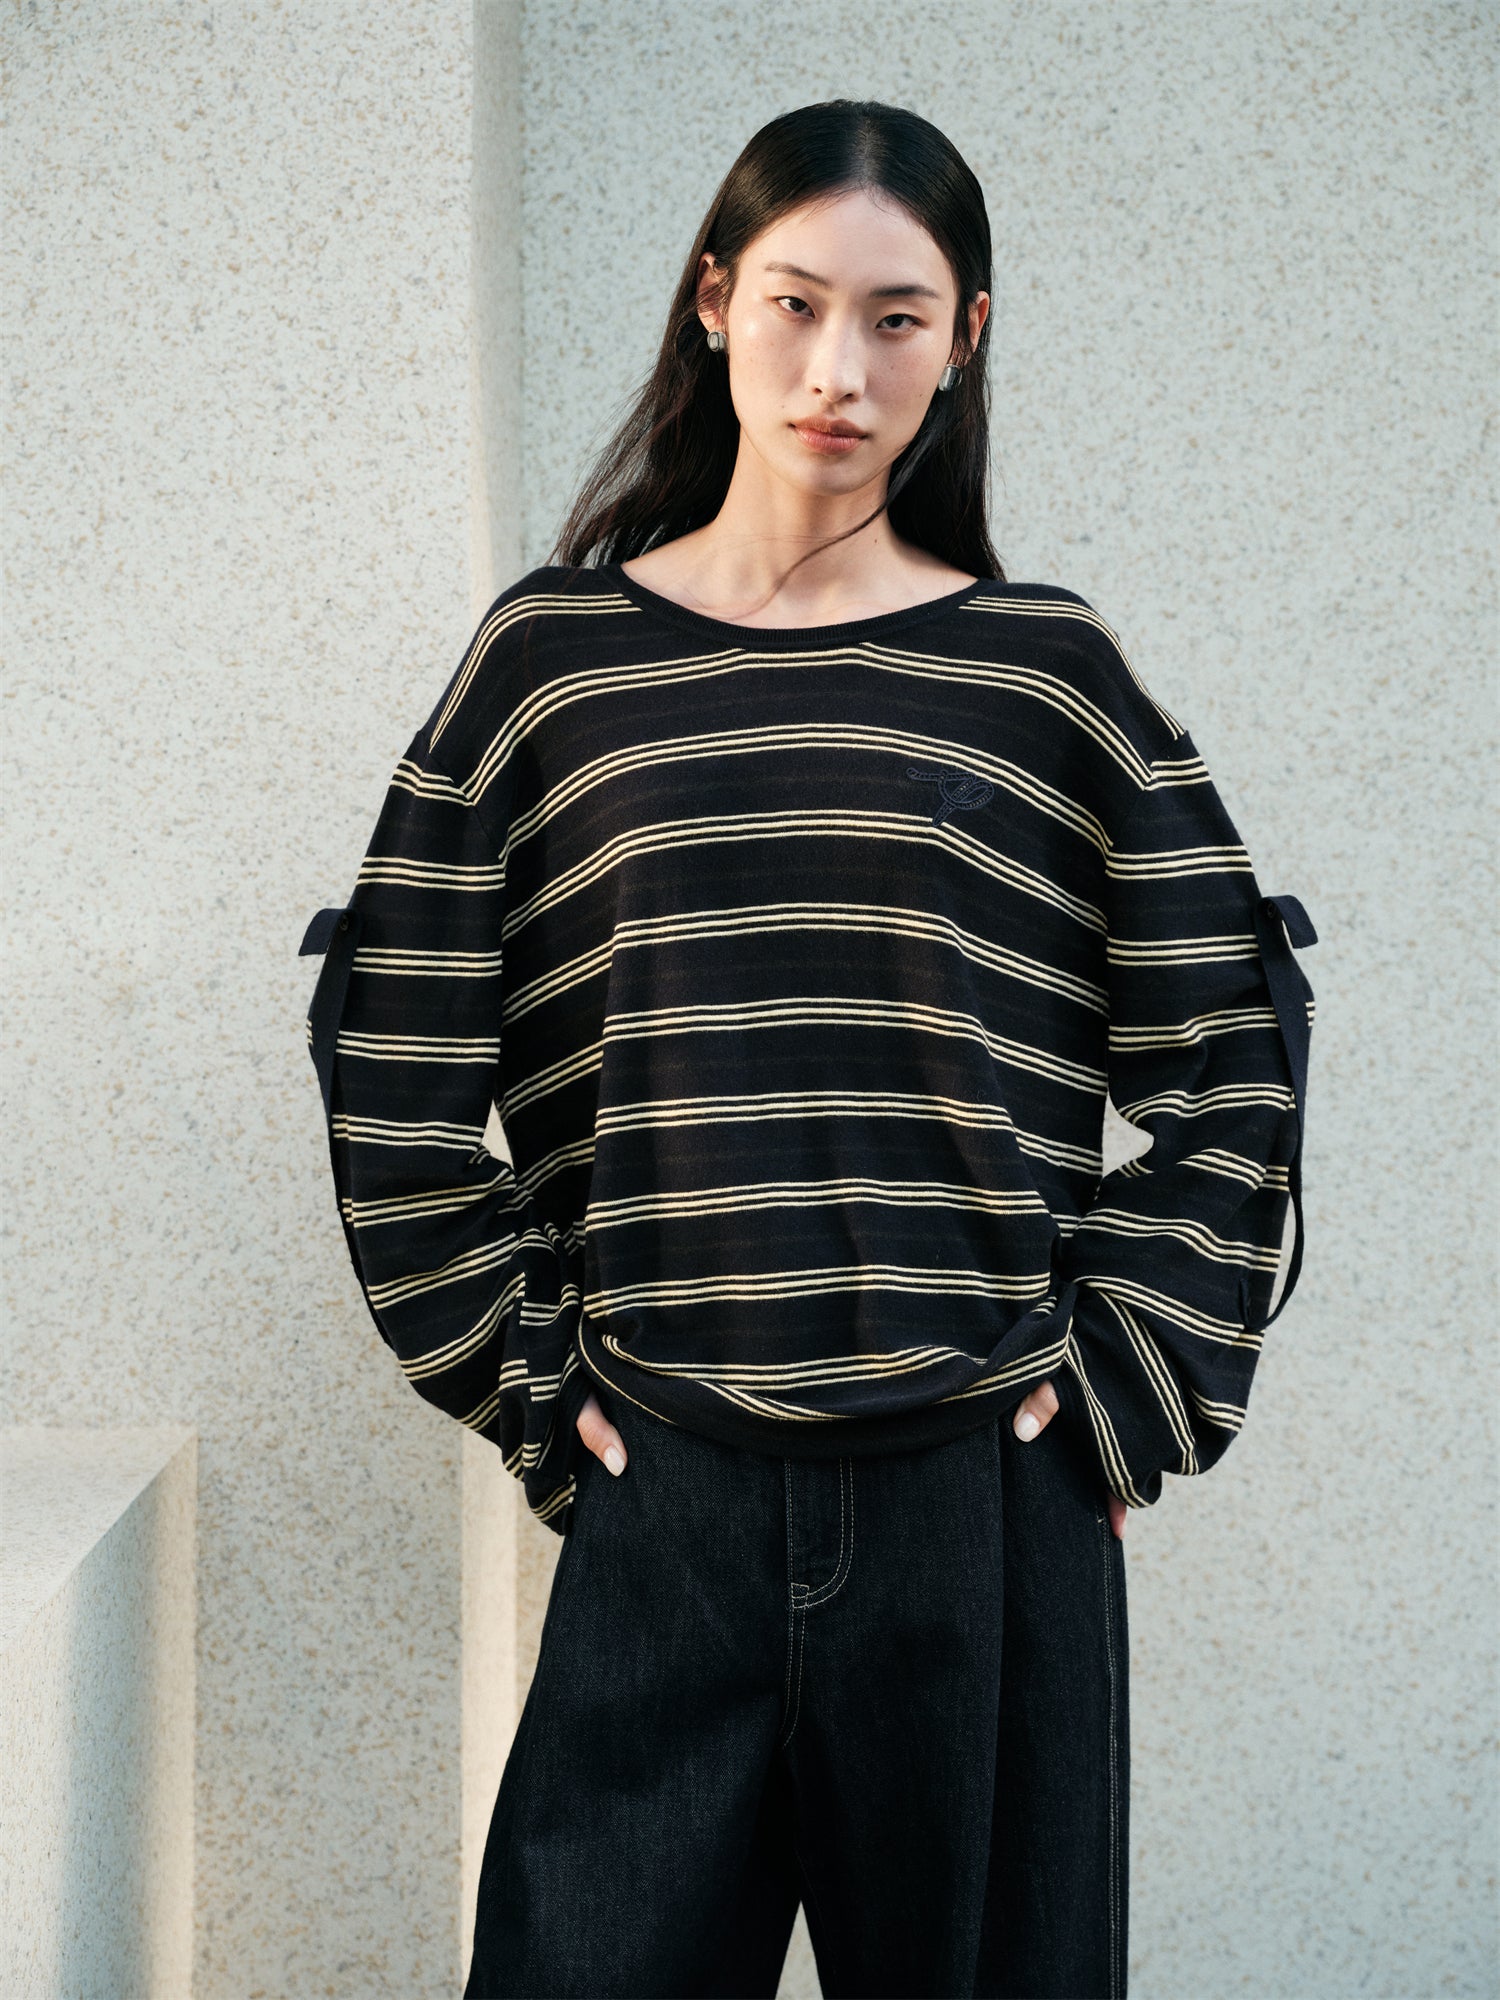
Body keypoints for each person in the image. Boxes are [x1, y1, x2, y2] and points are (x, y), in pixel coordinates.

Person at [300, 98, 1317, 2000]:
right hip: (665, 1491)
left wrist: (1129, 1371)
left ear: (967, 338)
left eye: (898, 317)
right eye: (794, 302)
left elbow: (1229, 1048)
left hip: (982, 1509)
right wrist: (524, 1369)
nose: (839, 370)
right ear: (712, 302)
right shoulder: (549, 666)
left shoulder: (1049, 675)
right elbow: (394, 1045)